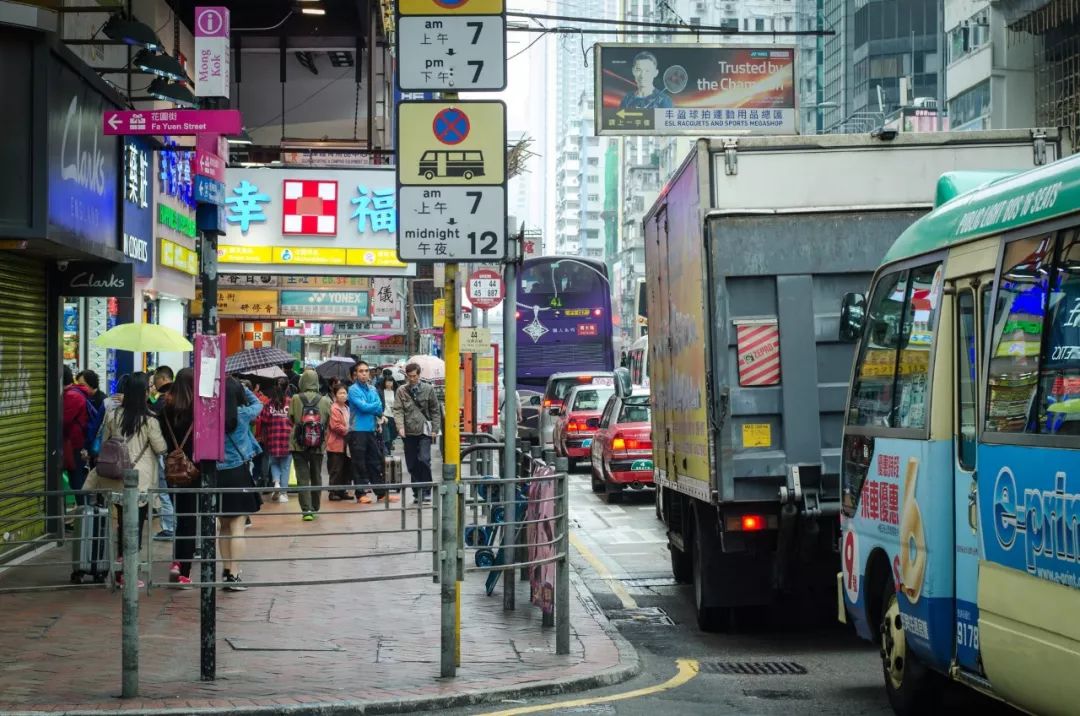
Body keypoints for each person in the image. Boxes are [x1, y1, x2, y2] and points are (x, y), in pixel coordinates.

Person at [84, 372, 167, 587]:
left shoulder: (113, 416)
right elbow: (161, 448)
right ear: (143, 393)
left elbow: (104, 443)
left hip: (117, 477)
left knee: (122, 524)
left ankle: (122, 569)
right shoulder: (149, 420)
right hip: (139, 480)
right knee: (136, 526)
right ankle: (129, 572)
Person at [216, 377, 264, 591]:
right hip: (238, 472)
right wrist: (243, 388)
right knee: (237, 526)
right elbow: (258, 404)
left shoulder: (211, 416)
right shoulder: (244, 414)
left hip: (217, 473)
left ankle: (226, 570)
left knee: (224, 526)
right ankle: (234, 574)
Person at [157, 368, 196, 586]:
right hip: (193, 470)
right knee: (190, 520)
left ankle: (176, 561)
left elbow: (162, 440)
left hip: (172, 468)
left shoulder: (165, 410)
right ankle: (183, 568)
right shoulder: (198, 410)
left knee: (180, 515)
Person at [393, 362, 442, 503]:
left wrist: (435, 429)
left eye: (414, 376)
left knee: (424, 459)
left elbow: (435, 410)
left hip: (424, 431)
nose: (412, 379)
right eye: (409, 376)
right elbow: (398, 410)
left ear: (419, 375)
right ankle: (417, 491)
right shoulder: (401, 390)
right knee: (412, 463)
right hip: (408, 432)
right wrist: (400, 426)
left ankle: (426, 489)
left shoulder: (428, 389)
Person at [348, 361, 395, 504]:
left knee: (375, 462)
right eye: (361, 371)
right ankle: (360, 493)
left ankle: (381, 494)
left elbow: (379, 408)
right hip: (357, 431)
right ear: (356, 374)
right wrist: (372, 406)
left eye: (366, 371)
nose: (364, 373)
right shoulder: (353, 389)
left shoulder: (373, 389)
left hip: (371, 430)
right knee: (359, 463)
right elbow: (363, 407)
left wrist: (371, 406)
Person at [289, 368, 332, 520]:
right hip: (318, 444)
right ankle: (315, 505)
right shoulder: (326, 400)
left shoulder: (295, 398)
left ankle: (307, 511)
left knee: (302, 477)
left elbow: (291, 418)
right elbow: (327, 422)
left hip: (297, 444)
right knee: (316, 475)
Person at [148, 366, 176, 540]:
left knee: (165, 490)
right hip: (175, 452)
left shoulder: (164, 399)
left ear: (163, 378)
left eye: (155, 380)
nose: (154, 383)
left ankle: (169, 527)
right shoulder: (179, 396)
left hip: (165, 451)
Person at [257, 380, 293, 504]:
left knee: (274, 463)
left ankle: (276, 483)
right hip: (287, 438)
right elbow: (294, 419)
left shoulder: (269, 403)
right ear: (287, 387)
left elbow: (264, 419)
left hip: (272, 438)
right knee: (285, 466)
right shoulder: (290, 402)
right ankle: (283, 493)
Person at [327, 385, 352, 501]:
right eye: (340, 393)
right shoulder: (333, 408)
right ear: (335, 395)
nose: (343, 395)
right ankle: (333, 492)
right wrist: (348, 431)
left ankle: (343, 491)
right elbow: (335, 426)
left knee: (346, 468)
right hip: (336, 443)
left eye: (345, 393)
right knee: (336, 468)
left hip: (347, 443)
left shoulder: (347, 408)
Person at [379, 372, 399, 455]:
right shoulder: (381, 392)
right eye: (387, 381)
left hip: (393, 417)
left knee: (393, 435)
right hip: (384, 416)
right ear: (384, 382)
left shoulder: (396, 392)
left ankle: (387, 451)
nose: (389, 383)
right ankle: (387, 454)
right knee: (386, 436)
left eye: (391, 381)